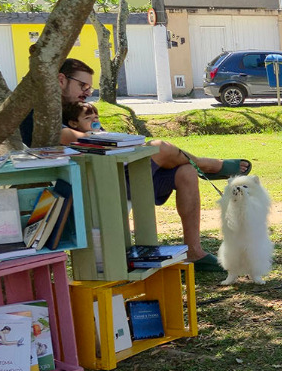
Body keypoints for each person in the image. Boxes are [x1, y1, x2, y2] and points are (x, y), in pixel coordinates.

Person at [24, 56, 246, 272]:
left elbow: (97, 136)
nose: (86, 92)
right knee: (160, 147)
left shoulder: (77, 109)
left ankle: (193, 252)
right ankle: (207, 166)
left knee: (185, 172)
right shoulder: (41, 112)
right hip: (95, 183)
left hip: (117, 171)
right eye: (82, 85)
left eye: (89, 88)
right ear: (61, 80)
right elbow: (75, 138)